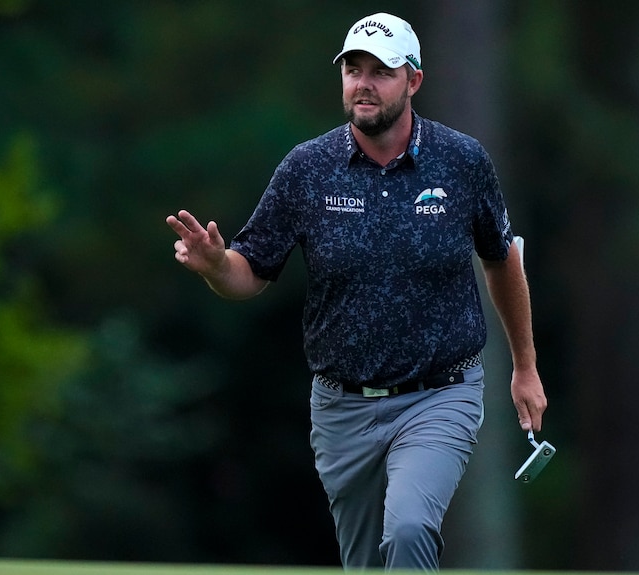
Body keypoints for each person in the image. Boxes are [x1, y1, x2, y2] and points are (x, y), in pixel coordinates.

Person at [166, 12, 547, 571]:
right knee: (367, 563)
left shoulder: (462, 161)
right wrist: (215, 265)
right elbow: (251, 271)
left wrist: (525, 366)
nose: (363, 82)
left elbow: (501, 258)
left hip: (439, 394)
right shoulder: (307, 168)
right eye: (353, 69)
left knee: (411, 528)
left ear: (413, 81)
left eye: (381, 71)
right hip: (341, 408)